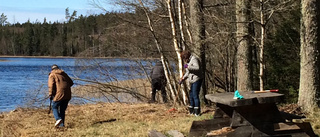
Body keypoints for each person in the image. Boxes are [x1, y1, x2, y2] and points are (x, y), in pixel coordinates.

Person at [179, 50, 203, 116]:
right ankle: (192, 111)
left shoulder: (194, 59)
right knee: (191, 95)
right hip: (192, 80)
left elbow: (197, 68)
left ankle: (197, 112)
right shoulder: (188, 61)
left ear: (186, 56)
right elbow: (188, 72)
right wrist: (183, 78)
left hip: (197, 79)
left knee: (195, 95)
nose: (184, 60)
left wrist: (188, 66)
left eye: (184, 58)